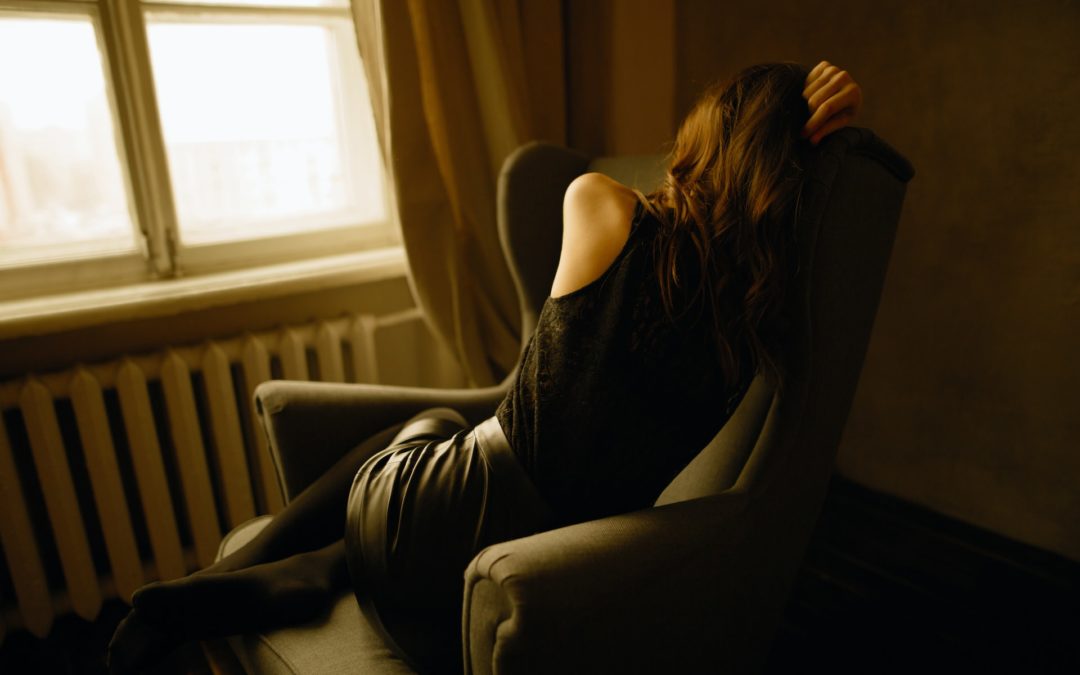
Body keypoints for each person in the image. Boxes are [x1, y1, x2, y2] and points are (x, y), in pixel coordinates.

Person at [108, 60, 862, 674]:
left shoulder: (602, 203)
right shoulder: (753, 341)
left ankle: (270, 561)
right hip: (511, 567)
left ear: (705, 146)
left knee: (432, 424)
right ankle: (324, 568)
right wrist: (807, 152)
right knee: (450, 443)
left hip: (424, 518)